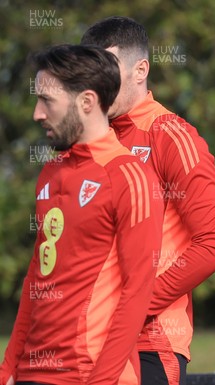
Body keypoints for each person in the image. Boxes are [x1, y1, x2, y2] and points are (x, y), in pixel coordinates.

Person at [0, 44, 164, 385]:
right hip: (33, 373)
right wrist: (8, 368)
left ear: (86, 102)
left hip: (88, 375)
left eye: (47, 101)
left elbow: (137, 292)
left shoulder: (129, 176)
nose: (37, 113)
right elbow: (37, 276)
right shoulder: (51, 171)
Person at [81, 16, 215, 385]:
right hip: (86, 340)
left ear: (140, 69)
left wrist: (136, 306)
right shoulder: (88, 142)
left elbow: (213, 246)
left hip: (149, 343)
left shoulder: (171, 136)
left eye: (108, 70)